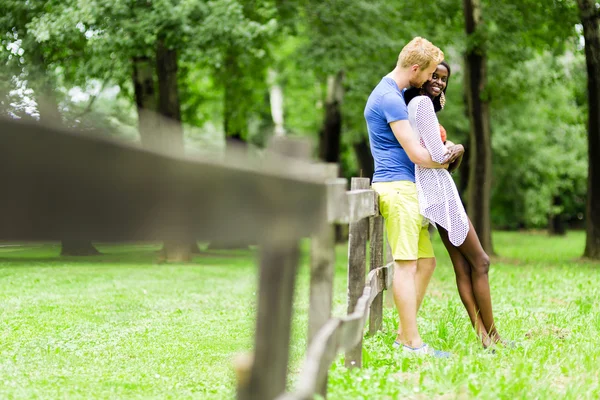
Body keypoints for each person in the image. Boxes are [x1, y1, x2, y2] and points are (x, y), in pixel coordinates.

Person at [364, 37, 460, 357]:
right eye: (430, 72)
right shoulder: (389, 98)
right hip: (398, 189)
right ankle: (411, 344)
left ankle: (405, 333)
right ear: (415, 68)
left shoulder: (394, 93)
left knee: (427, 263)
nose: (432, 80)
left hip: (408, 188)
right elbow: (418, 154)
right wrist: (446, 157)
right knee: (406, 266)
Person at [404, 62, 506, 349]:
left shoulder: (414, 104)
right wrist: (459, 149)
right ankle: (492, 335)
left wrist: (451, 153)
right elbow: (439, 156)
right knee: (481, 262)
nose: (438, 82)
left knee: (463, 266)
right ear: (422, 75)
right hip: (438, 189)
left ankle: (484, 337)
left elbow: (435, 155)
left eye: (444, 79)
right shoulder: (422, 103)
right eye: (434, 76)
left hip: (434, 190)